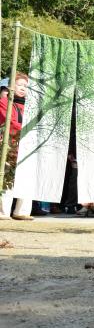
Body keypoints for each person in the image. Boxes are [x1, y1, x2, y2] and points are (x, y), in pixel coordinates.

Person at [0, 73, 33, 221]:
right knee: (8, 178)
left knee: (27, 178)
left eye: (26, 86)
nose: (23, 88)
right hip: (10, 145)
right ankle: (3, 212)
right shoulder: (4, 102)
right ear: (11, 87)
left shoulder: (30, 105)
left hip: (26, 145)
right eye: (20, 85)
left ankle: (22, 211)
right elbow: (11, 122)